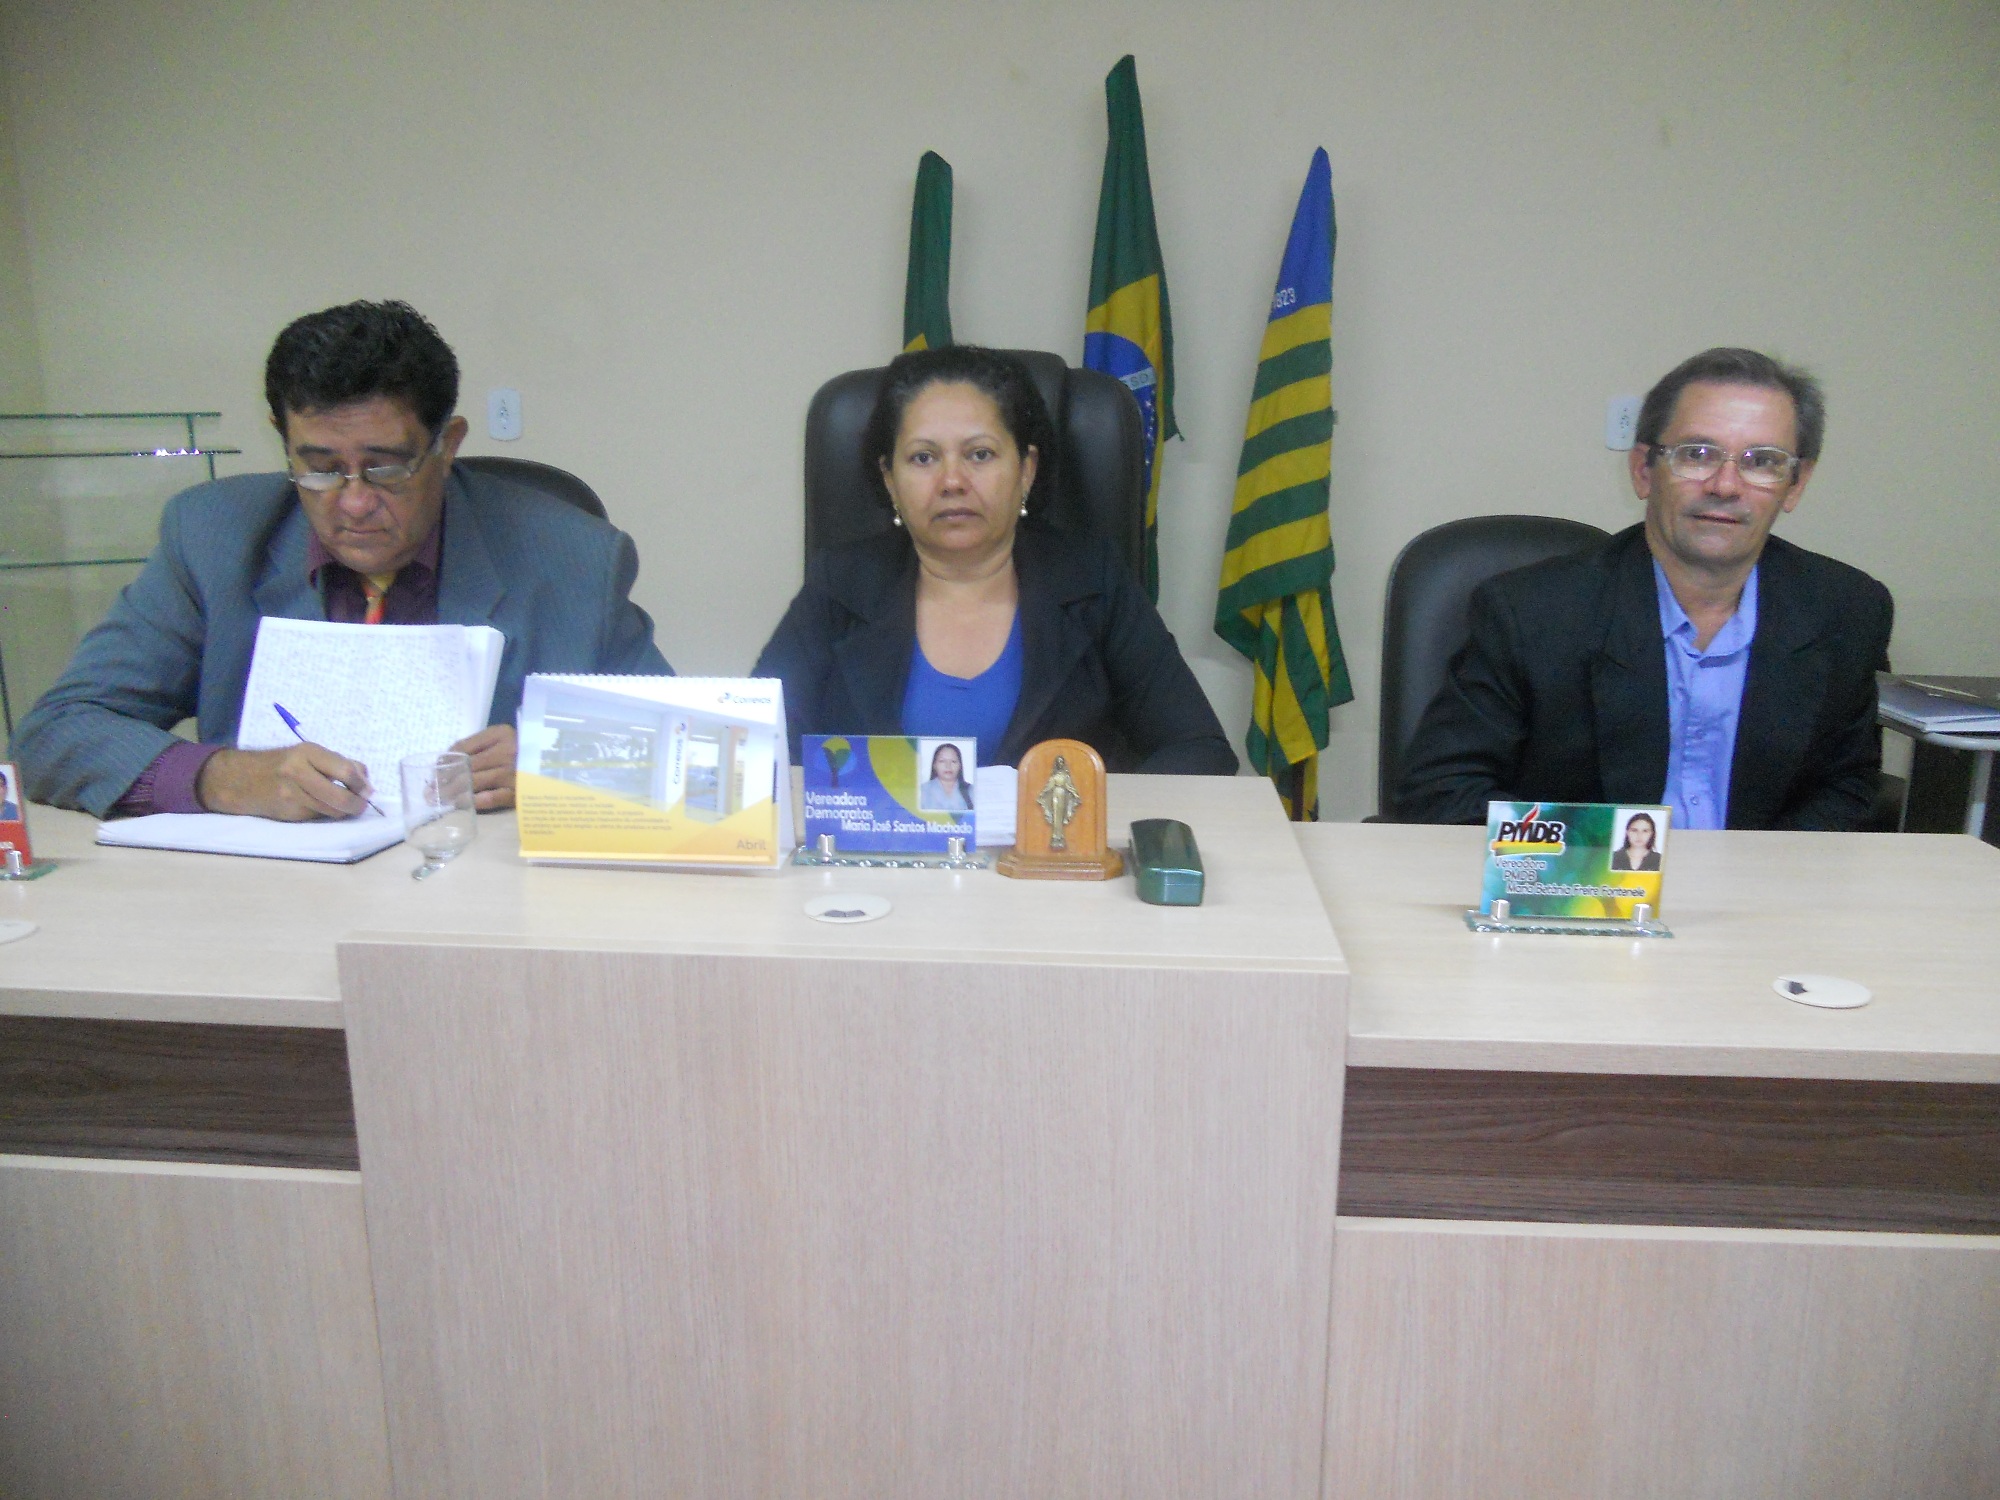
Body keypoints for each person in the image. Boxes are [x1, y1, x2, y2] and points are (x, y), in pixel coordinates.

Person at [10, 300, 670, 820]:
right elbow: (55, 734)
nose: (353, 503)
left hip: (481, 896)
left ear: (447, 446)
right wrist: (227, 778)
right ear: (285, 444)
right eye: (321, 468)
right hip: (270, 906)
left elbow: (692, 753)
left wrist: (560, 763)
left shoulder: (572, 557)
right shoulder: (214, 540)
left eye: (384, 467)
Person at [1395, 347, 1893, 830]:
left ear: (1795, 484)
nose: (1725, 485)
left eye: (1761, 461)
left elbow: (1847, 789)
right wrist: (1619, 866)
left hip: (1762, 884)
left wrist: (1756, 876)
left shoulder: (1847, 612)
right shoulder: (1531, 613)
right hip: (1580, 882)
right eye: (1698, 454)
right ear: (1644, 471)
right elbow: (1442, 793)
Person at [755, 345, 1236, 775]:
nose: (952, 481)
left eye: (980, 455)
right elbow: (757, 749)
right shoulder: (840, 585)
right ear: (889, 479)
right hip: (877, 850)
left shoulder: (1093, 581)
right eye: (923, 458)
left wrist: (1087, 823)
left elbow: (1198, 749)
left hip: (1054, 846)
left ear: (1026, 470)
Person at [919, 742, 973, 812]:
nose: (948, 766)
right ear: (934, 765)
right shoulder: (921, 791)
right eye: (942, 761)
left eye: (953, 761)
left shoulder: (971, 790)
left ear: (960, 765)